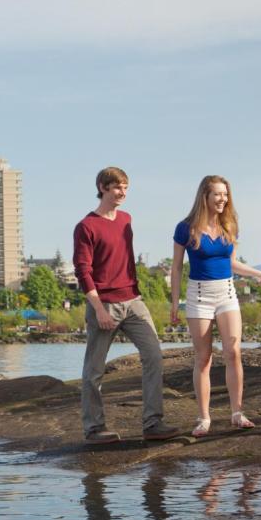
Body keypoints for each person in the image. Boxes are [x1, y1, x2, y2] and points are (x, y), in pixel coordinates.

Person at [73, 166, 180, 444]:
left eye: (126, 188)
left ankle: (152, 423)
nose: (123, 193)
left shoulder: (126, 220)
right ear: (103, 187)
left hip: (133, 301)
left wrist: (136, 294)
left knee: (154, 355)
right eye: (117, 187)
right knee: (94, 370)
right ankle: (94, 429)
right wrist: (98, 309)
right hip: (104, 304)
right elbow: (83, 271)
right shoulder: (86, 226)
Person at [169, 175, 261, 437]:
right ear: (205, 197)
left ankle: (237, 413)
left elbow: (231, 263)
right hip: (198, 295)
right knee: (203, 358)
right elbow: (176, 267)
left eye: (226, 194)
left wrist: (259, 274)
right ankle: (204, 418)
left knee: (233, 351)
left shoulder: (229, 225)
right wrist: (174, 303)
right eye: (218, 194)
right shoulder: (185, 228)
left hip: (226, 293)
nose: (223, 199)